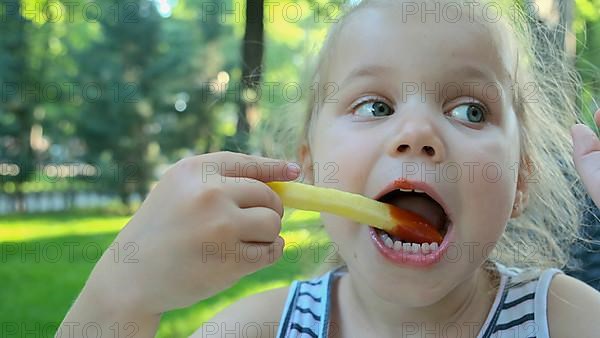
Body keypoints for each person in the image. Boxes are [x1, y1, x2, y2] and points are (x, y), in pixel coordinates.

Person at [59, 0, 600, 337]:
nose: (416, 133)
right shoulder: (258, 329)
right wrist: (123, 291)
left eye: (470, 110)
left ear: (521, 178)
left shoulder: (565, 318)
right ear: (311, 167)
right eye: (375, 107)